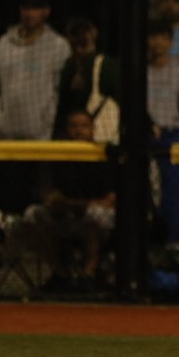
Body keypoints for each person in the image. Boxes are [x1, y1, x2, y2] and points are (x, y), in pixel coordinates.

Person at [28, 109, 116, 290]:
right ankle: (61, 275)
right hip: (65, 219)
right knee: (34, 214)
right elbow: (51, 199)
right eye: (74, 126)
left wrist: (71, 204)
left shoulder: (103, 156)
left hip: (96, 223)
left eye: (84, 126)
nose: (79, 131)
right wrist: (82, 204)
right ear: (66, 130)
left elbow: (109, 201)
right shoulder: (57, 155)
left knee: (95, 216)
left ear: (93, 129)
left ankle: (88, 275)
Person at [0, 0, 72, 141]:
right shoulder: (5, 43)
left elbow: (60, 90)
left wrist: (46, 123)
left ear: (46, 11)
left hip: (40, 137)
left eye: (35, 8)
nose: (29, 13)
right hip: (4, 135)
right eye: (26, 8)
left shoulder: (59, 46)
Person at [146, 19, 179, 252]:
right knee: (145, 191)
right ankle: (148, 241)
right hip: (146, 137)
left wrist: (176, 133)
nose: (157, 42)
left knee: (173, 190)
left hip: (173, 137)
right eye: (153, 37)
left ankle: (174, 240)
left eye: (162, 37)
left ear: (170, 42)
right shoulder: (142, 71)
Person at [54, 18, 119, 142]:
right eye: (76, 34)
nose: (81, 37)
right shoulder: (67, 67)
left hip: (102, 139)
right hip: (70, 141)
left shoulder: (106, 66)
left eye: (84, 33)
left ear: (94, 35)